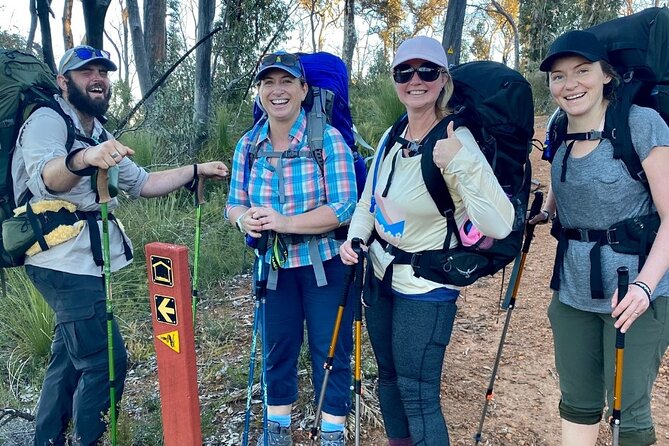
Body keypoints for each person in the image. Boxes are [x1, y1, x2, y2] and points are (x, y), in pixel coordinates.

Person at [11, 45, 229, 446]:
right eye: (85, 72)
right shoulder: (47, 120)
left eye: (103, 72)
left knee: (68, 358)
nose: (97, 78)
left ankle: (47, 439)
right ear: (63, 82)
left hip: (83, 262)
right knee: (104, 362)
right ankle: (90, 439)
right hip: (60, 263)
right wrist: (84, 159)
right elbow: (50, 177)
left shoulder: (96, 129)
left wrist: (195, 170)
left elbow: (143, 183)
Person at [340, 36, 514, 446]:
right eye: (405, 72)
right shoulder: (392, 134)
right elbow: (370, 199)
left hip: (426, 287)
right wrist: (356, 238)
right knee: (389, 379)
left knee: (418, 393)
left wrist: (460, 161)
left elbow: (500, 223)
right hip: (380, 276)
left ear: (443, 80)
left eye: (427, 71)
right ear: (395, 79)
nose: (415, 80)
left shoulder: (456, 140)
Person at [533, 30, 669, 445]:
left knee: (627, 413)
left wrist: (645, 288)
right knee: (577, 401)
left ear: (606, 75)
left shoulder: (640, 124)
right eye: (558, 76)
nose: (570, 84)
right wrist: (543, 212)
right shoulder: (559, 127)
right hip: (573, 291)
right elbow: (566, 179)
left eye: (582, 71)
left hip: (635, 294)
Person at [225, 52, 357, 445]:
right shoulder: (248, 145)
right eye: (268, 82)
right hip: (273, 266)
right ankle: (277, 432)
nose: (277, 91)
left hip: (327, 265)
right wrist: (242, 219)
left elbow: (344, 206)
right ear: (260, 92)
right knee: (277, 351)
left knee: (330, 351)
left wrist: (285, 223)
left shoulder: (326, 140)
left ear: (303, 90)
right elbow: (234, 202)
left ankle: (331, 433)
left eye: (286, 82)